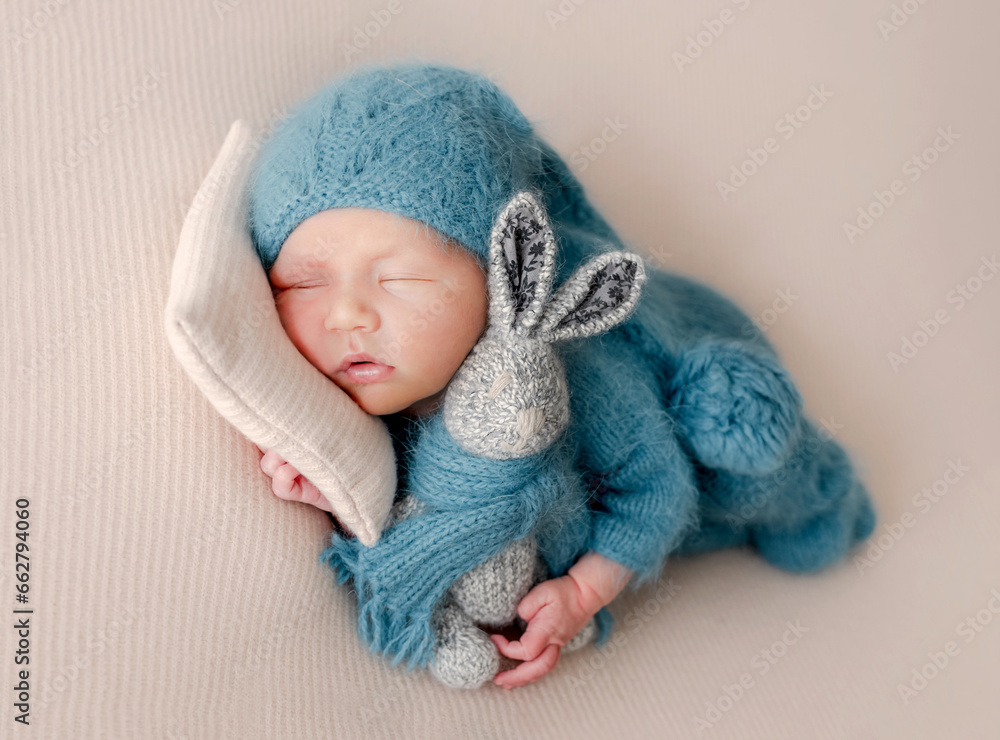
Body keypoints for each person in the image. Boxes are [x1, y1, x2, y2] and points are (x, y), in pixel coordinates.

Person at [249, 59, 877, 689]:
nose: (348, 314)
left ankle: (829, 500)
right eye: (301, 282)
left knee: (748, 461)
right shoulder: (367, 372)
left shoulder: (573, 381)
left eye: (400, 279)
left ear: (495, 278)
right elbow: (399, 497)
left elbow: (654, 491)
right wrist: (323, 484)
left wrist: (582, 592)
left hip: (676, 385)